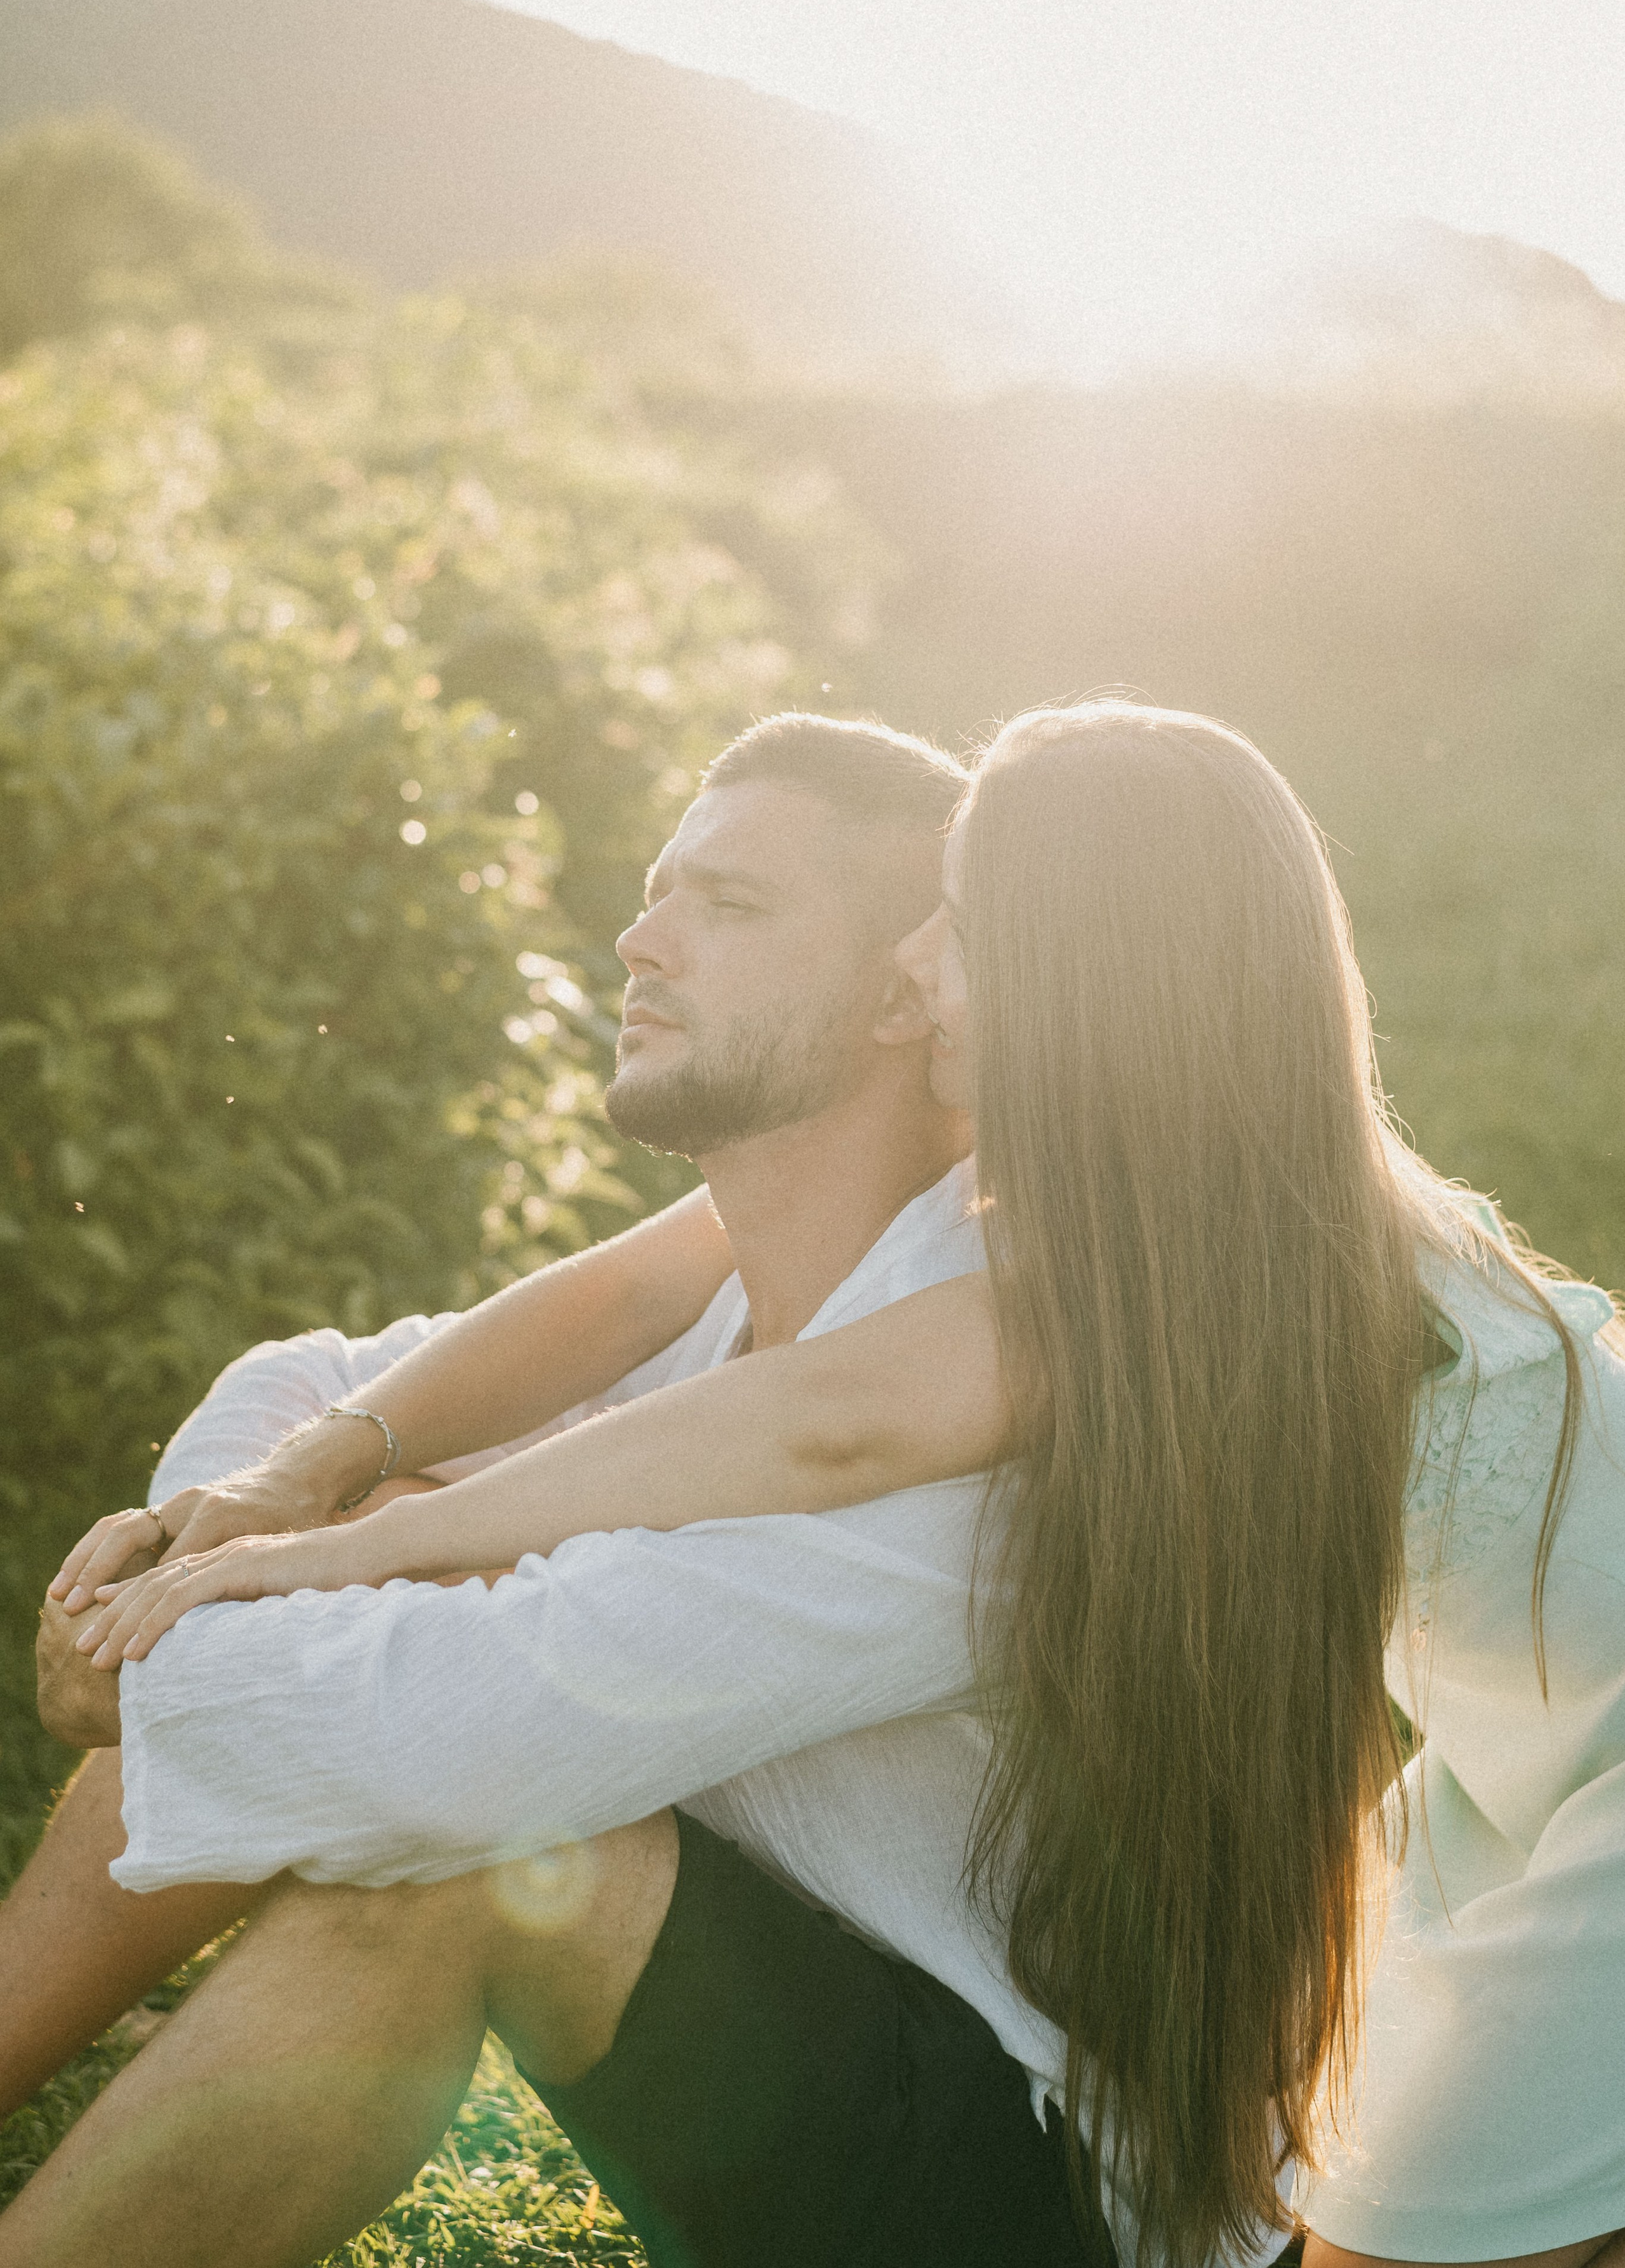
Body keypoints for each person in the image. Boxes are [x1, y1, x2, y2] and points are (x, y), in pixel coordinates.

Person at [15, 703, 1625, 2268]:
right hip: (1514, 1775)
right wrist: (331, 1508)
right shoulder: (1121, 1243)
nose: (922, 968)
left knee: (1415, 2222)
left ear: (1086, 980)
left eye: (962, 930)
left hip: (1583, 1821)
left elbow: (812, 1445)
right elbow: (759, 1387)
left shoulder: (1193, 1308)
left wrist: (300, 1572)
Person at [6, 715, 1140, 2268]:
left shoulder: (972, 1399)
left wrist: (156, 1647)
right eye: (657, 888)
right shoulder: (720, 1292)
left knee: (458, 1861)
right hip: (814, 2022)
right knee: (331, 1569)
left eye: (727, 908)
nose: (637, 938)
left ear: (914, 989)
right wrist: (240, 1529)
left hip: (1044, 2180)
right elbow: (311, 1378)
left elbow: (450, 1749)